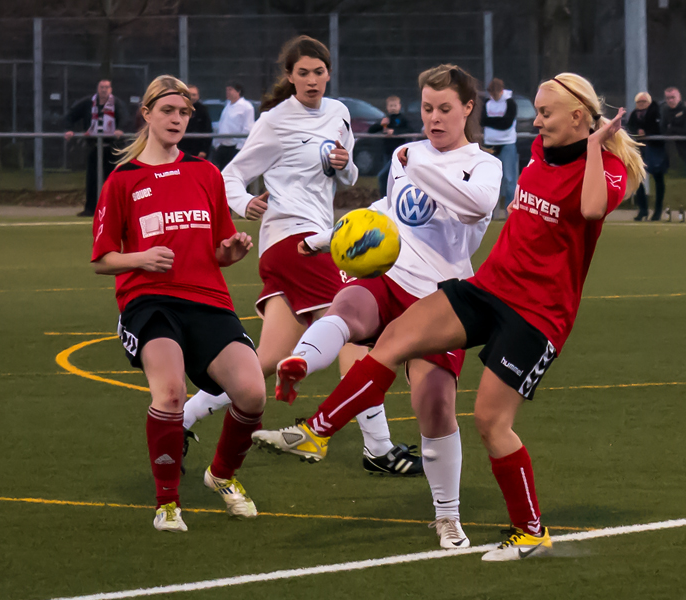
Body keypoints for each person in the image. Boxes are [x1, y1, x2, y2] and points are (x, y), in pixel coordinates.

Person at [256, 72, 643, 561]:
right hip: (489, 289)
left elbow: (590, 210)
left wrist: (593, 148)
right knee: (394, 338)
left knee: (490, 422)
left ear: (579, 118)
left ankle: (531, 532)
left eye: (545, 113)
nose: (536, 121)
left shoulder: (606, 166)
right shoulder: (540, 153)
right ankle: (317, 431)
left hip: (538, 316)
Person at [255, 64, 502, 548]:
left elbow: (475, 206)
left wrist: (420, 165)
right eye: (427, 108)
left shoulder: (483, 164)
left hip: (442, 296)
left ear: (468, 109)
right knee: (346, 307)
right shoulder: (406, 155)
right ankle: (302, 361)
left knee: (434, 407)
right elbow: (387, 209)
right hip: (393, 276)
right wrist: (323, 239)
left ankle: (447, 516)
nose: (434, 118)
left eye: (445, 109)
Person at [183, 35, 416, 475]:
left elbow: (346, 177)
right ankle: (380, 449)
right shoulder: (275, 121)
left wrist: (345, 163)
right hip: (296, 241)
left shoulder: (339, 113)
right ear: (289, 77)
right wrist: (243, 202)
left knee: (265, 361)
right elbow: (228, 175)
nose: (312, 80)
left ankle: (182, 416)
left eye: (319, 72)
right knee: (356, 334)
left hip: (301, 242)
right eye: (303, 73)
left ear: (329, 73)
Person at [91, 74, 266, 533]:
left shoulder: (205, 173)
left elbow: (217, 250)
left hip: (207, 299)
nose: (177, 119)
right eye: (168, 110)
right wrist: (141, 258)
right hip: (150, 302)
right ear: (147, 114)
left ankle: (222, 475)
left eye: (184, 112)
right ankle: (166, 502)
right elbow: (103, 259)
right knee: (170, 395)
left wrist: (232, 251)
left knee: (252, 392)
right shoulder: (123, 181)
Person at [65, 79, 129, 217]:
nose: (104, 90)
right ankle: (90, 209)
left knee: (112, 180)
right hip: (94, 146)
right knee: (92, 179)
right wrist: (69, 129)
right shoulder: (88, 102)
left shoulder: (116, 103)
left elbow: (124, 117)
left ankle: (113, 210)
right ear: (97, 88)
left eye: (107, 87)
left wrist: (120, 129)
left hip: (112, 147)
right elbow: (71, 115)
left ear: (111, 89)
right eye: (101, 87)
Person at [626, 92, 668, 221]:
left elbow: (660, 128)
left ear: (649, 102)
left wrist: (647, 133)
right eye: (639, 102)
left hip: (655, 149)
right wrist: (637, 131)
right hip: (641, 150)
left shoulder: (656, 112)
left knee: (658, 179)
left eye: (643, 102)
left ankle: (657, 210)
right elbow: (630, 127)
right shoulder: (634, 114)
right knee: (638, 179)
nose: (641, 104)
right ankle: (643, 209)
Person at [481, 78, 518, 220]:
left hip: (507, 143)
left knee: (509, 179)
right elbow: (482, 120)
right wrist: (497, 121)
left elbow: (507, 123)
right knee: (489, 179)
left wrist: (491, 122)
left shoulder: (510, 103)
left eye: (496, 93)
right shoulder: (487, 103)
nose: (494, 96)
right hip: (490, 144)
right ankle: (488, 213)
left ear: (501, 91)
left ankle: (510, 212)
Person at [368, 95, 413, 196]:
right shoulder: (386, 119)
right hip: (386, 153)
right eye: (390, 105)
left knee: (382, 177)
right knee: (389, 178)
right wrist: (380, 124)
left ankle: (385, 197)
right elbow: (370, 130)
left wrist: (395, 132)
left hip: (397, 153)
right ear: (387, 107)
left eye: (395, 105)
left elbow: (410, 130)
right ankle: (388, 199)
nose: (393, 107)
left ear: (399, 106)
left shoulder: (402, 119)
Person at [211, 82, 255, 171]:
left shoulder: (246, 107)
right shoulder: (227, 105)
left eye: (230, 90)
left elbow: (248, 127)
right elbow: (222, 124)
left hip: (235, 147)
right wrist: (217, 143)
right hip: (223, 145)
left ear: (238, 91)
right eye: (227, 90)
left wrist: (240, 147)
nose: (227, 92)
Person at [179, 84, 213, 158]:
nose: (192, 97)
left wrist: (204, 150)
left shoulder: (203, 110)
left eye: (194, 95)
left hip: (197, 150)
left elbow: (208, 131)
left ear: (198, 96)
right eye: (190, 95)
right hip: (181, 149)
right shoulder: (178, 109)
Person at [661, 87, 686, 163]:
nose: (670, 100)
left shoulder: (684, 109)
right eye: (667, 98)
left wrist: (671, 128)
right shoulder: (665, 110)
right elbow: (663, 128)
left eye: (673, 97)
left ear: (679, 97)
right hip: (680, 145)